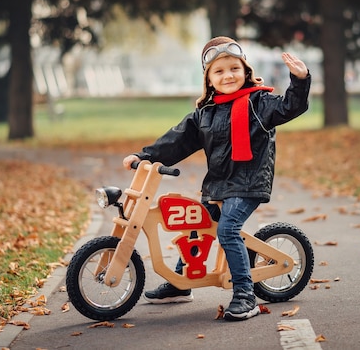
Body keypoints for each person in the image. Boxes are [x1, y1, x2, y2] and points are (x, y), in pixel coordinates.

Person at [122, 36, 311, 321]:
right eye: (219, 71)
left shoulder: (259, 103)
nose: (228, 76)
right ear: (209, 79)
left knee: (226, 231)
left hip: (248, 184)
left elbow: (290, 107)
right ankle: (180, 284)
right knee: (194, 226)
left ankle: (245, 295)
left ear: (245, 71)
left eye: (234, 69)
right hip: (218, 185)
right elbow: (177, 141)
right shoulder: (205, 114)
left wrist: (300, 80)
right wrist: (145, 156)